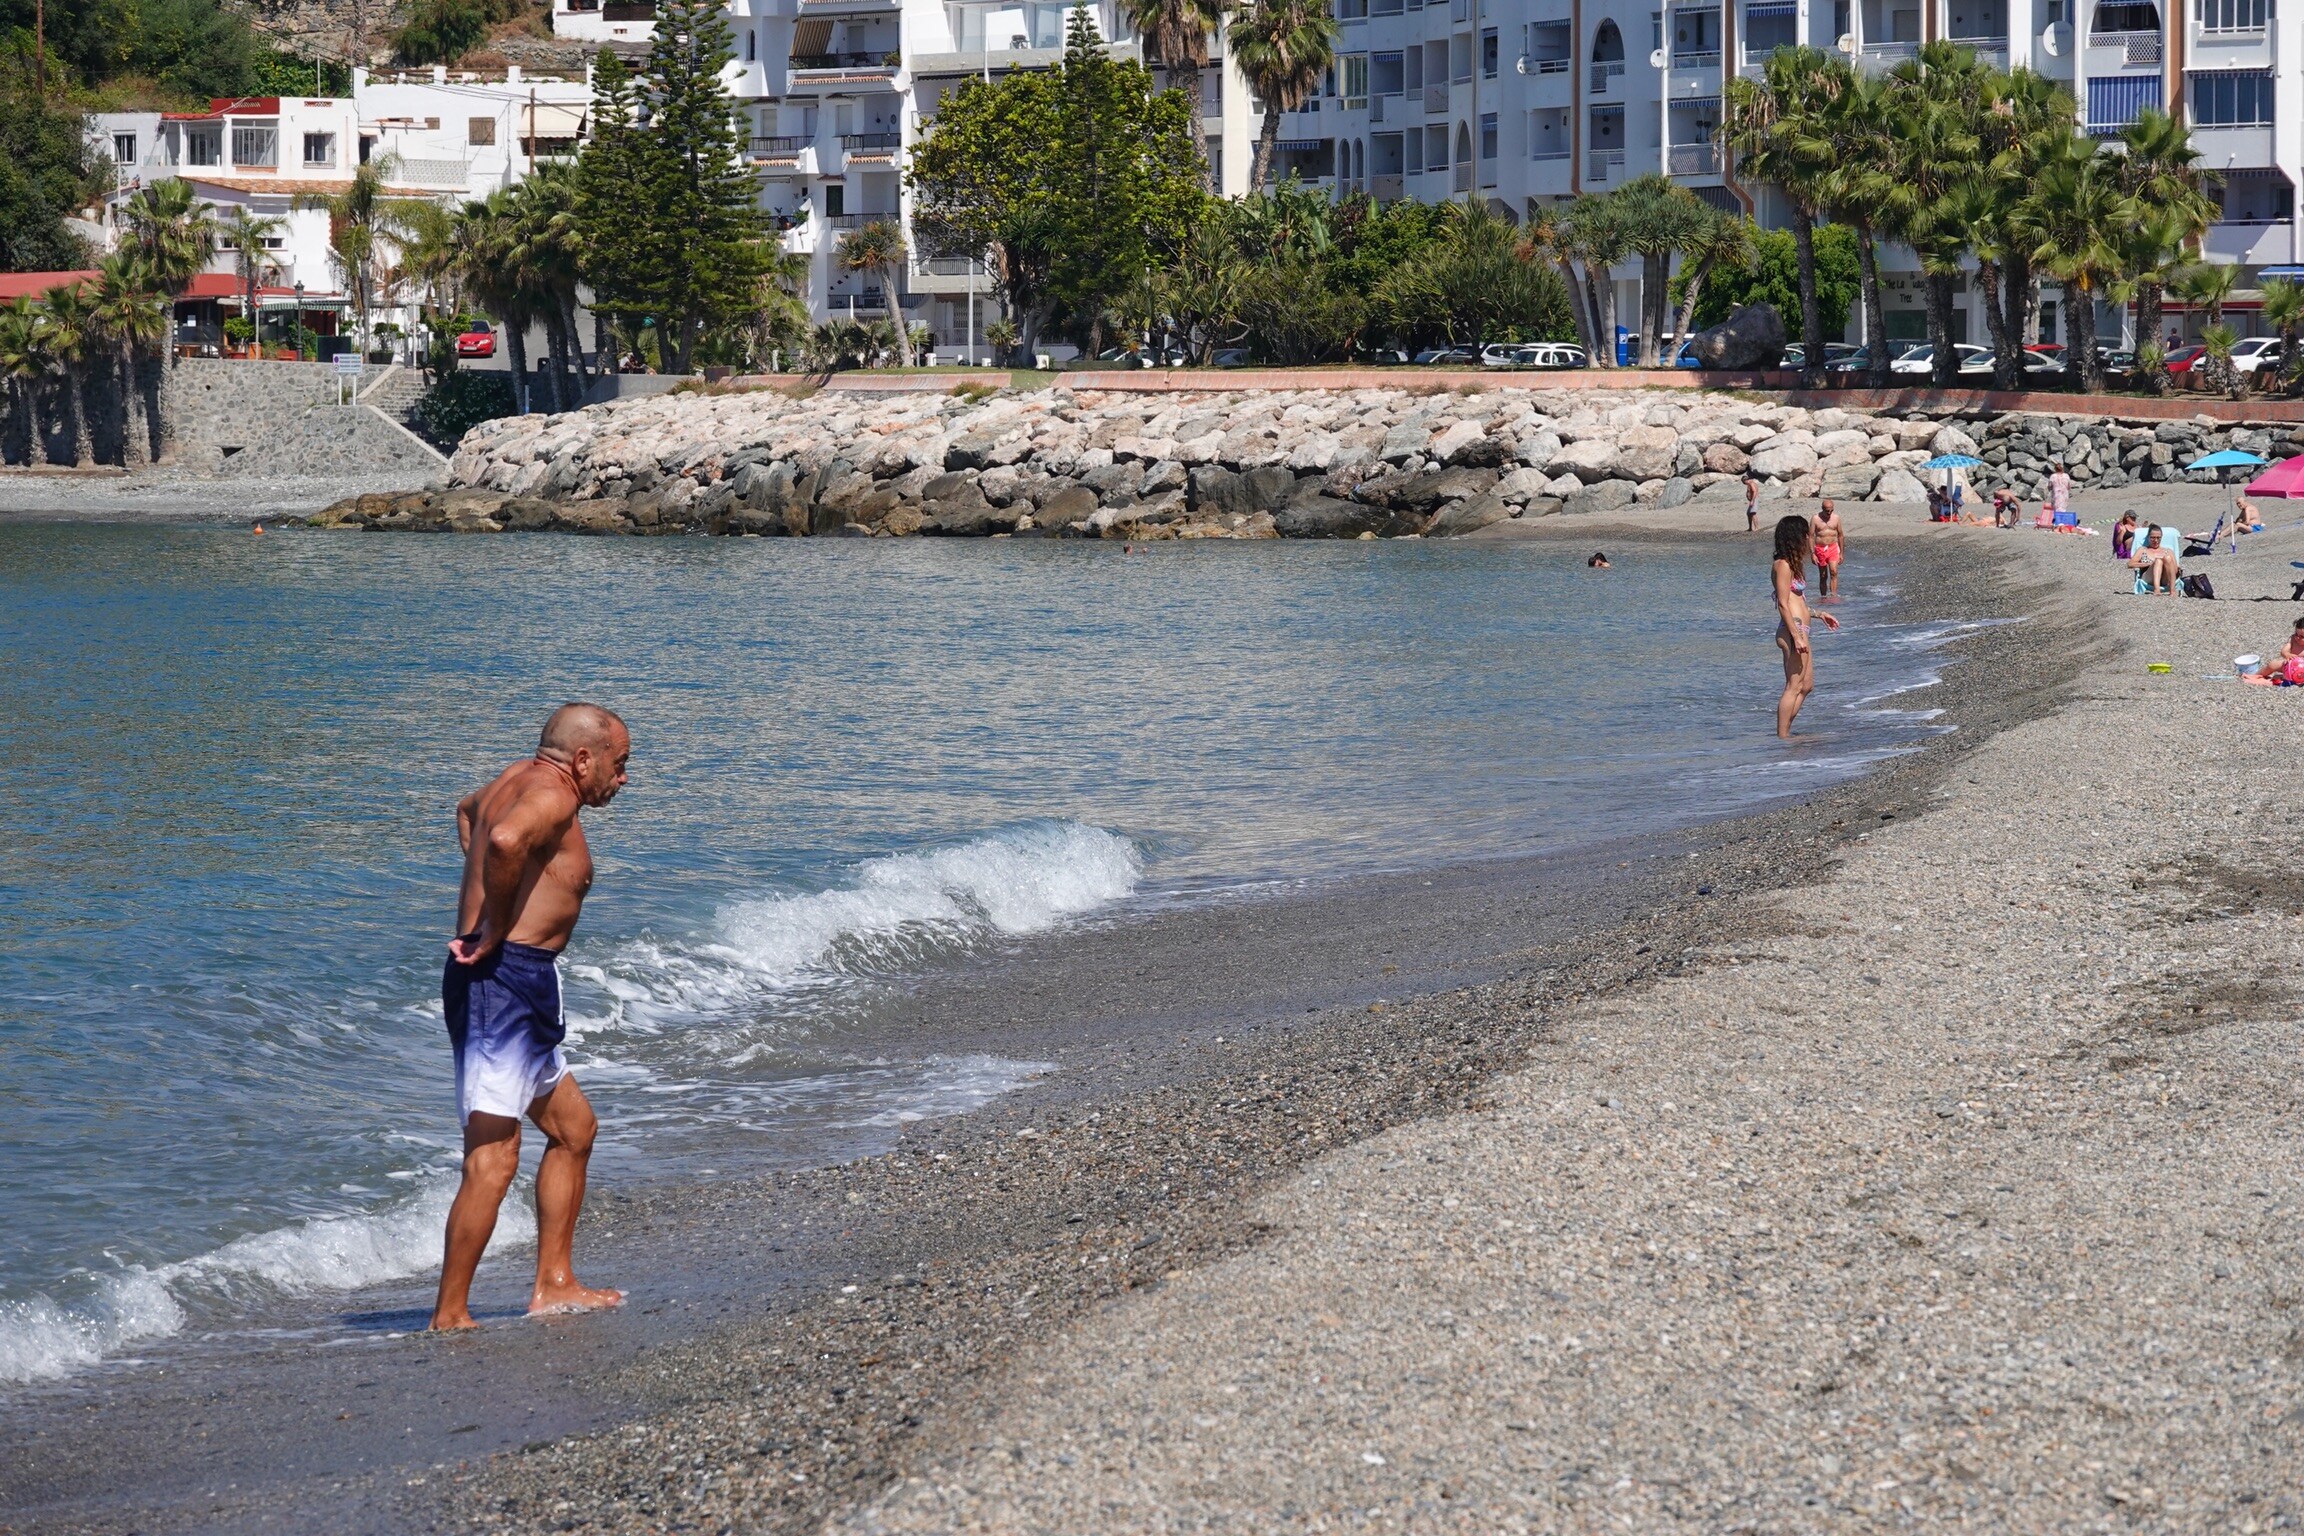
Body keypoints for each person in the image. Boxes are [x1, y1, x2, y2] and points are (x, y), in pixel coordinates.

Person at [431, 703, 632, 1332]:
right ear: (582, 759)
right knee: (493, 1159)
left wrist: (496, 903)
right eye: (619, 765)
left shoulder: (514, 777)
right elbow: (504, 839)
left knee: (575, 1131)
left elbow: (469, 813)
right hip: (501, 982)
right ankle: (450, 1315)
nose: (622, 779)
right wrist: (493, 924)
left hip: (520, 983)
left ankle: (555, 1283)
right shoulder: (552, 797)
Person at [1773, 514, 1840, 739]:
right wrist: (1797, 635)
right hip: (1793, 630)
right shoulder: (1782, 565)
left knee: (1807, 685)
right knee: (1794, 685)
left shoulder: (1794, 565)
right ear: (1795, 537)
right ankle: (1783, 738)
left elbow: (1797, 602)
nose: (1808, 539)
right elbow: (1783, 603)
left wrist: (1819, 614)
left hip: (1802, 628)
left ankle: (1785, 732)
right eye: (1805, 535)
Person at [2247, 615, 2304, 684]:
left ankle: (2285, 678)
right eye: (2296, 634)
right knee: (2272, 664)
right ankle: (2257, 675)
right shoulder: (2293, 639)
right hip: (2289, 665)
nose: (2297, 637)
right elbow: (2284, 650)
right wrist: (2287, 654)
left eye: (2302, 636)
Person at [2129, 524, 2180, 595]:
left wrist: (2165, 562)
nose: (2156, 540)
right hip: (2148, 578)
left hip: (2165, 578)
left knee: (2167, 557)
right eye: (2152, 537)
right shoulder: (2143, 550)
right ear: (2148, 537)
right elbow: (2130, 564)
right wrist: (2148, 564)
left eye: (2158, 538)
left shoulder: (2168, 551)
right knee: (2158, 561)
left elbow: (2175, 569)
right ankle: (2157, 590)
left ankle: (2172, 591)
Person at [1811, 499, 1846, 599]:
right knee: (1823, 575)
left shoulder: (1836, 518)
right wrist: (1812, 553)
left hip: (1833, 547)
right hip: (1820, 549)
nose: (1829, 513)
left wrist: (1841, 553)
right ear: (1822, 509)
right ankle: (1823, 597)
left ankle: (1833, 595)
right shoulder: (1815, 519)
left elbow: (1840, 535)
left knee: (1834, 571)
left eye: (1831, 510)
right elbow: (1811, 536)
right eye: (1827, 511)